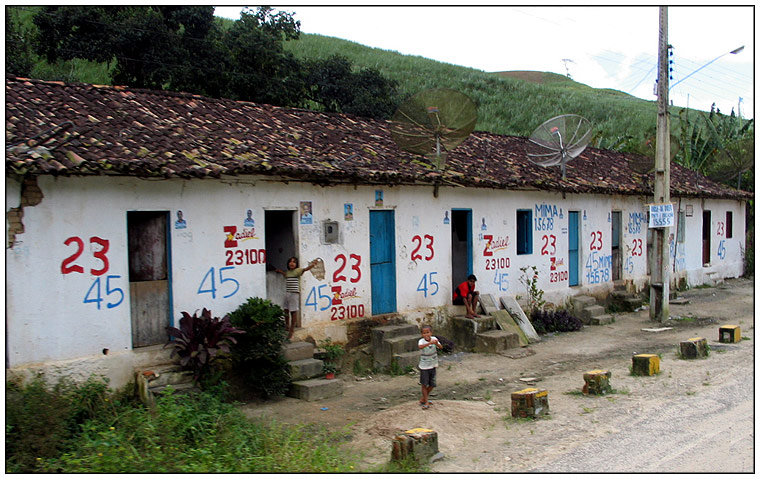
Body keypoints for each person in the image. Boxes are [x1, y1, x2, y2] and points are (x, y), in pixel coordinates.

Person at [275, 256, 317, 339]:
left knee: (293, 311)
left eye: (294, 262)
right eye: (290, 261)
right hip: (288, 293)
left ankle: (291, 329)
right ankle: (287, 325)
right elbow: (286, 275)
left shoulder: (298, 271)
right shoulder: (288, 272)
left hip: (294, 293)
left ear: (296, 264)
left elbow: (305, 269)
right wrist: (280, 271)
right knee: (286, 310)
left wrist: (312, 265)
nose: (292, 263)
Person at [418, 324, 442, 409]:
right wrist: (429, 343)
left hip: (433, 365)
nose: (426, 335)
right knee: (424, 384)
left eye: (428, 332)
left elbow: (440, 347)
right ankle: (426, 402)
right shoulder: (421, 341)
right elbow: (420, 347)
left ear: (431, 333)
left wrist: (436, 343)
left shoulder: (434, 339)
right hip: (424, 366)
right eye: (424, 333)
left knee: (432, 384)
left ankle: (423, 399)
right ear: (422, 334)